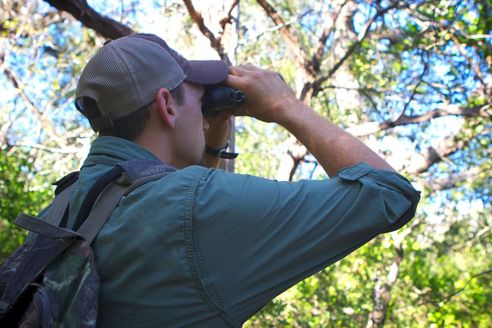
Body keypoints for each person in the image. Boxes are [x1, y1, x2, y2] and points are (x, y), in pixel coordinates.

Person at [60, 33, 420, 327]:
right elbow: (388, 194)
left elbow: (180, 231)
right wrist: (285, 106)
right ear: (167, 105)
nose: (205, 113)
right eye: (199, 100)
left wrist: (213, 141)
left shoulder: (67, 202)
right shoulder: (193, 206)